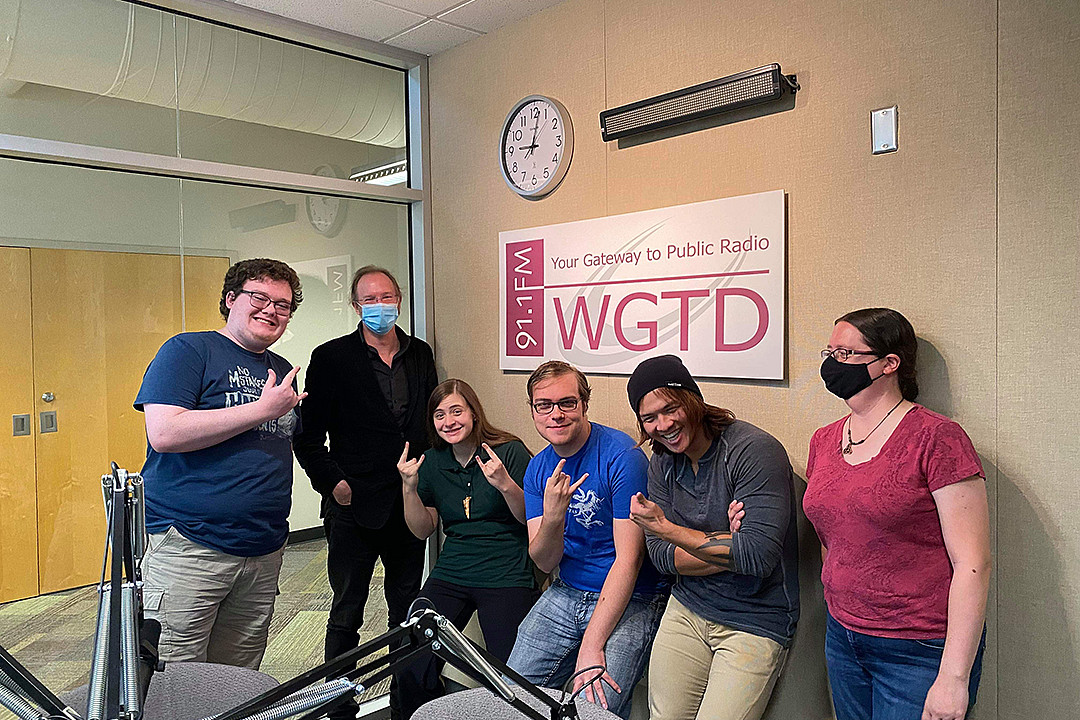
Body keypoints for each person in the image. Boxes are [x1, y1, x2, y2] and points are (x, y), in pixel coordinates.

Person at [802, 308, 990, 720]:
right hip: (843, 635)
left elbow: (973, 564)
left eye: (848, 354)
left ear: (889, 364)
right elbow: (832, 534)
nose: (833, 363)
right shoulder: (824, 440)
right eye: (830, 352)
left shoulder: (937, 438)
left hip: (918, 648)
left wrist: (954, 678)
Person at [135, 257, 304, 669]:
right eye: (258, 297)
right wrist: (262, 410)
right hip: (190, 545)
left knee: (237, 679)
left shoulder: (281, 371)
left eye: (283, 305)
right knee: (176, 677)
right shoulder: (189, 350)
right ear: (230, 299)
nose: (271, 310)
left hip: (262, 549)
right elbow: (165, 433)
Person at [293, 265, 438, 720]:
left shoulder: (420, 353)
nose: (380, 306)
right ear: (356, 306)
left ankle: (407, 705)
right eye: (369, 299)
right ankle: (337, 709)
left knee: (406, 612)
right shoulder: (332, 357)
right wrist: (334, 484)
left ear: (399, 299)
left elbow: (429, 425)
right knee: (346, 613)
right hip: (353, 507)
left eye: (387, 297)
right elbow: (307, 435)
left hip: (409, 505)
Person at [625, 354, 800, 720]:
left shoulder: (752, 450)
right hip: (687, 608)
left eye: (671, 408)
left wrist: (668, 529)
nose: (664, 425)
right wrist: (727, 544)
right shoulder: (662, 462)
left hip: (753, 618)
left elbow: (757, 557)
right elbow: (661, 557)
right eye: (649, 418)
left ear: (693, 399)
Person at [506, 361, 668, 720]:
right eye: (544, 405)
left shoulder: (621, 456)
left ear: (584, 404)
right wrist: (553, 516)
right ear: (533, 410)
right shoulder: (538, 468)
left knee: (591, 710)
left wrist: (591, 647)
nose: (556, 414)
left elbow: (630, 559)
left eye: (567, 403)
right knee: (509, 698)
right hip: (565, 591)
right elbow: (545, 561)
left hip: (633, 598)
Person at [395, 379, 539, 718]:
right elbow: (422, 530)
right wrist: (409, 488)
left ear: (474, 413)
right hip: (452, 572)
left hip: (505, 571)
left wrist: (505, 484)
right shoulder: (431, 460)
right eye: (440, 415)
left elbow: (527, 520)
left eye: (457, 411)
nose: (449, 422)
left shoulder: (509, 451)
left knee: (511, 671)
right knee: (409, 661)